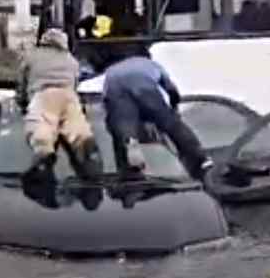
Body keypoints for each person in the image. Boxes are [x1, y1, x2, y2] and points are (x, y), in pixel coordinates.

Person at [98, 16, 213, 180]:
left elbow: (108, 98)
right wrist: (173, 108)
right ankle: (200, 159)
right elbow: (171, 89)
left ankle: (130, 151)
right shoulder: (150, 64)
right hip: (145, 88)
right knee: (172, 125)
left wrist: (113, 118)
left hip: (117, 89)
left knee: (124, 127)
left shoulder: (112, 70)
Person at [16, 28, 98, 174]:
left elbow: (22, 80)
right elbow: (75, 82)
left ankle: (44, 153)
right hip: (68, 95)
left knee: (42, 126)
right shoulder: (71, 60)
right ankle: (84, 143)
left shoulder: (32, 56)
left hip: (44, 95)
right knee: (75, 123)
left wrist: (22, 100)